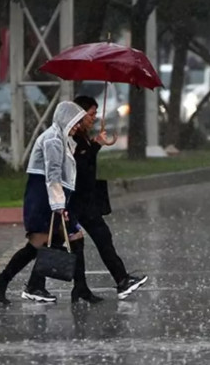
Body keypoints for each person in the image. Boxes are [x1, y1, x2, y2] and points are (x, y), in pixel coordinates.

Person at [0, 101, 87, 305]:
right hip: (43, 199)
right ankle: (12, 282)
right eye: (75, 122)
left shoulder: (61, 139)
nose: (77, 126)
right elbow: (53, 175)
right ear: (65, 119)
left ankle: (23, 284)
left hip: (49, 198)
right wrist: (59, 206)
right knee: (39, 243)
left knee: (46, 242)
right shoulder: (53, 140)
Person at [70, 95, 148, 300]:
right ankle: (32, 284)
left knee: (99, 238)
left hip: (85, 201)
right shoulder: (72, 137)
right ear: (79, 114)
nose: (94, 118)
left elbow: (86, 164)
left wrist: (96, 143)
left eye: (96, 114)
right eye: (91, 114)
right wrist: (94, 146)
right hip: (75, 200)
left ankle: (116, 280)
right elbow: (79, 167)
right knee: (51, 244)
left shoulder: (83, 136)